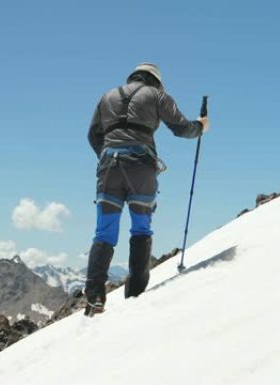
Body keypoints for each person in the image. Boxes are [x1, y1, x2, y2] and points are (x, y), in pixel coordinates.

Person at [84, 63, 210, 316]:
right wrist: (201, 127)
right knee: (141, 227)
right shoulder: (157, 95)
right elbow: (181, 128)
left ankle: (95, 296)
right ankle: (136, 293)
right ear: (156, 80)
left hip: (109, 166)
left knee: (105, 231)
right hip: (141, 167)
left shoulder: (107, 96)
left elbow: (93, 136)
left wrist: (108, 155)